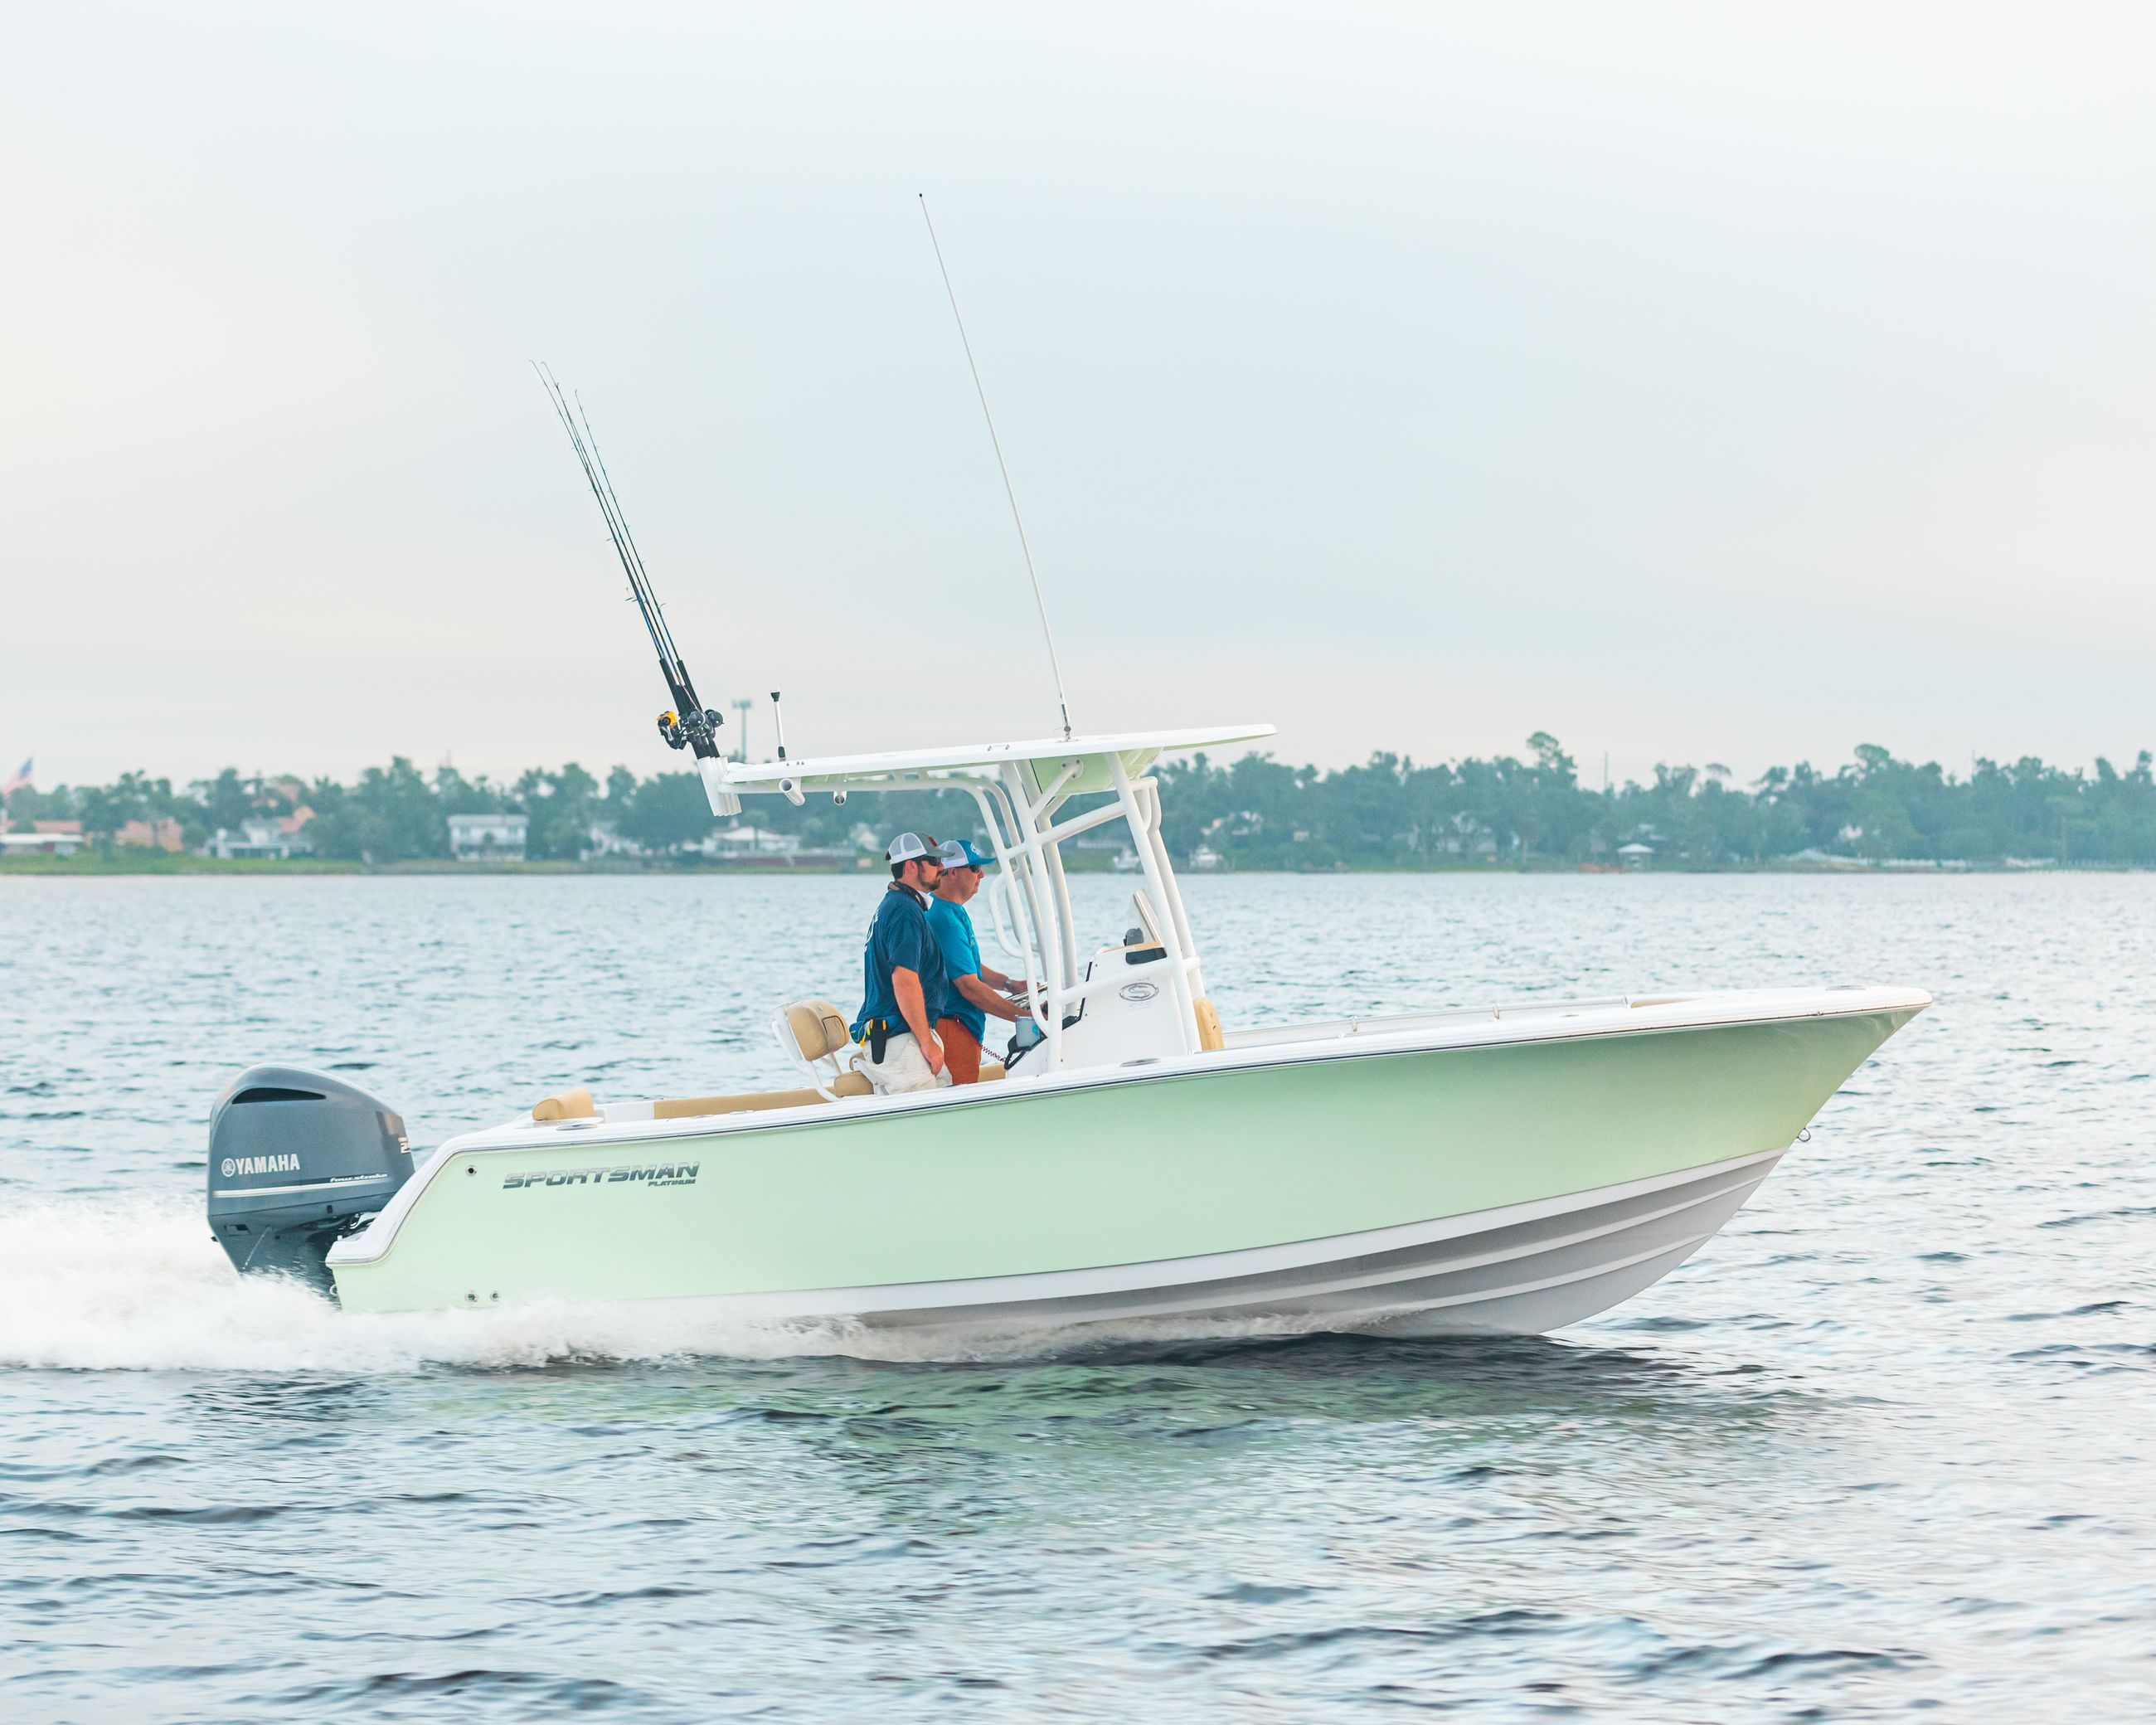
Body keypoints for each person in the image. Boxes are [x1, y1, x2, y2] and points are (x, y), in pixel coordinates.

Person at [849, 832, 951, 1094]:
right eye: (933, 861)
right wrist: (927, 1042)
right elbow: (904, 980)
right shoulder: (904, 910)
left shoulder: (895, 906)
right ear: (911, 867)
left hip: (903, 1037)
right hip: (901, 1040)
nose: (941, 867)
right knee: (926, 1115)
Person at [925, 837, 1030, 1085]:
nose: (981, 875)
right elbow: (969, 987)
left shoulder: (950, 911)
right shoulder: (943, 918)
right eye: (974, 868)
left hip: (960, 1028)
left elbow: (964, 964)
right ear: (951, 872)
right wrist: (1026, 1019)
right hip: (952, 1029)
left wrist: (1010, 985)